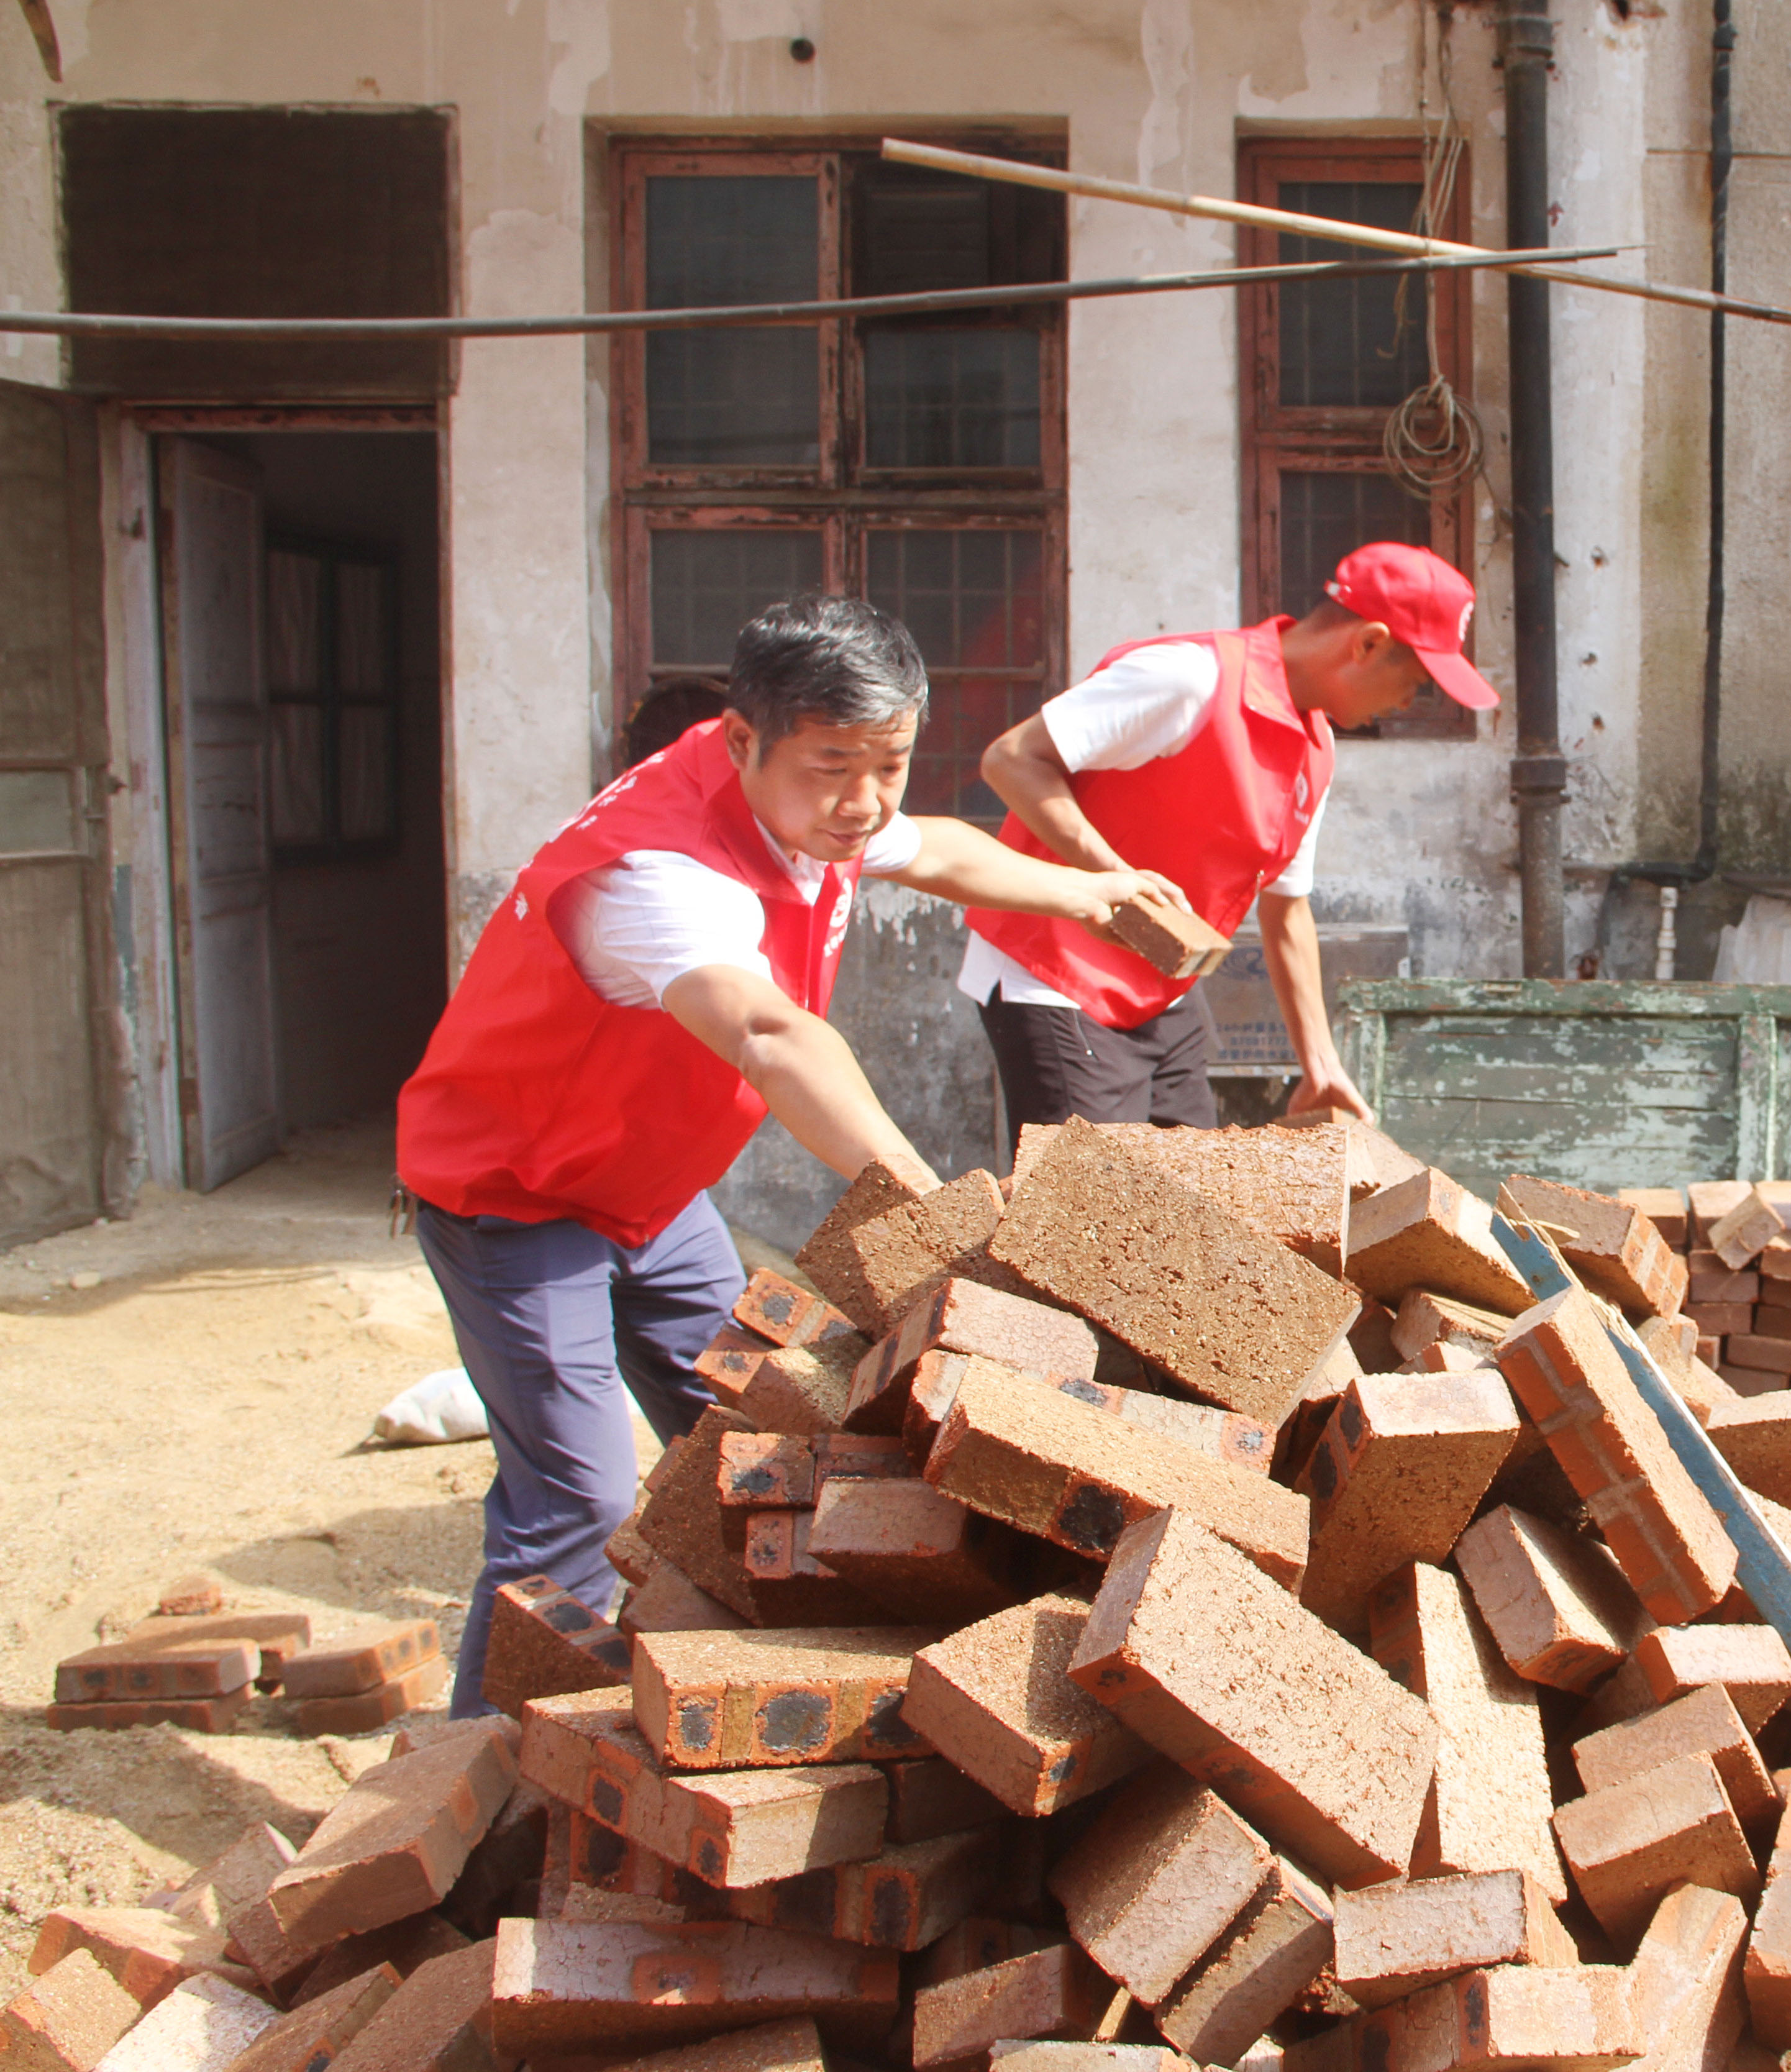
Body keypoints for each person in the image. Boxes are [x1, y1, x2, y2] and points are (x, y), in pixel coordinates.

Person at [396, 595, 1178, 1716]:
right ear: (741, 743)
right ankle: (470, 1795)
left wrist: (1088, 890)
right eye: (833, 768)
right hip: (516, 1199)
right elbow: (773, 1038)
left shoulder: (808, 799)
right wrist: (928, 1207)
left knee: (754, 1426)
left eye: (891, 762)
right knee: (573, 1496)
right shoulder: (659, 879)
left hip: (651, 1192)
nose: (864, 802)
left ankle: (727, 1693)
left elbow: (939, 850)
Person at [957, 542, 1497, 1131]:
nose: (1406, 704)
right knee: (1086, 1211)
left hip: (1161, 982)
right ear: (1368, 643)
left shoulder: (1316, 751)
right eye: (1415, 682)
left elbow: (1287, 910)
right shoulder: (1190, 679)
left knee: (1194, 1201)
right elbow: (1011, 760)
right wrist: (1114, 878)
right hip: (1054, 972)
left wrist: (1319, 1063)